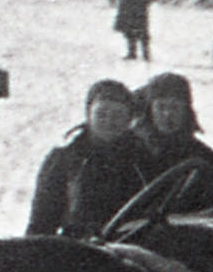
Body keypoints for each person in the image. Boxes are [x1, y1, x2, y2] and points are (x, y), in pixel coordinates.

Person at [29, 79, 156, 238]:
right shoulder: (66, 158)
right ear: (89, 115)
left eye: (117, 115)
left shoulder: (142, 158)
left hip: (132, 244)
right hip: (80, 248)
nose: (109, 122)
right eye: (101, 114)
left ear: (129, 119)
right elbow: (42, 220)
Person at [132, 71, 213, 212]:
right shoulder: (131, 151)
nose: (168, 114)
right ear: (150, 111)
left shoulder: (203, 156)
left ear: (186, 111)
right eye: (161, 107)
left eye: (175, 107)